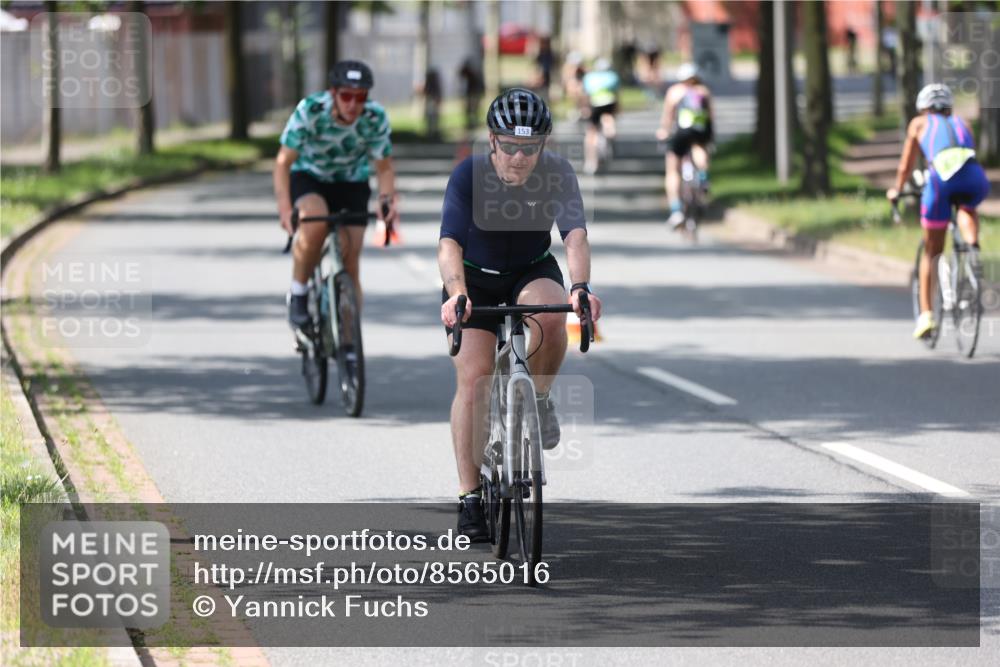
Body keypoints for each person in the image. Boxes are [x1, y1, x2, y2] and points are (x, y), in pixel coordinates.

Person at [438, 88, 603, 540]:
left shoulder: (558, 173)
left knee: (551, 317)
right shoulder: (469, 175)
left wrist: (581, 287)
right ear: (492, 141)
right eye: (509, 145)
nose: (518, 157)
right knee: (474, 379)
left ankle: (540, 398)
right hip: (474, 280)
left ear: (543, 146)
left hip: (530, 269)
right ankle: (470, 497)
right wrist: (456, 294)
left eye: (529, 148)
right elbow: (449, 243)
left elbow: (574, 236)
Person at [275, 60, 400, 332]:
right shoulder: (310, 110)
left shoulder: (374, 117)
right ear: (333, 93)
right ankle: (298, 292)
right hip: (310, 176)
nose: (353, 104)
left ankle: (348, 339)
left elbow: (384, 168)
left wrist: (386, 201)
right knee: (314, 223)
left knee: (350, 259)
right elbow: (283, 163)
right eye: (346, 96)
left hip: (351, 181)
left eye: (360, 97)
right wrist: (285, 208)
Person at [886, 83, 990, 340]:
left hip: (940, 179)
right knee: (966, 206)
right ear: (949, 107)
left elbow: (906, 166)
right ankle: (972, 248)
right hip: (975, 177)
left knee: (932, 251)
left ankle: (926, 316)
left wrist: (896, 190)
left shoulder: (919, 124)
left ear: (923, 108)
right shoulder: (963, 123)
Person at [656, 62, 714, 229]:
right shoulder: (703, 91)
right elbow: (711, 115)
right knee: (698, 147)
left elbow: (668, 116)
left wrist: (663, 131)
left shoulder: (675, 91)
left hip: (682, 131)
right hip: (701, 130)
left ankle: (676, 211)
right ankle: (703, 177)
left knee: (672, 169)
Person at [581, 58, 620, 174]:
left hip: (595, 103)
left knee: (591, 132)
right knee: (607, 118)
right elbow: (617, 94)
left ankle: (591, 161)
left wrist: (585, 108)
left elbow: (586, 94)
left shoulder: (590, 77)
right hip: (609, 101)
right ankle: (609, 132)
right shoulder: (613, 77)